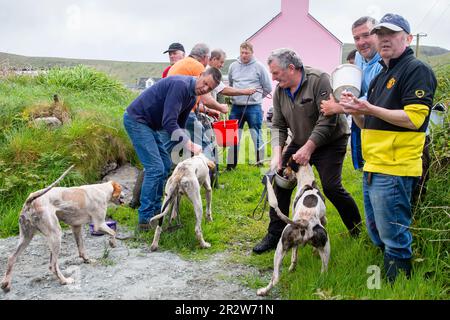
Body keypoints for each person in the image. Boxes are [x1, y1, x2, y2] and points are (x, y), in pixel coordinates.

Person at [339, 13, 437, 282]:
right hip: (374, 165)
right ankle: (380, 281)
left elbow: (415, 119)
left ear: (407, 38)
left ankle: (396, 286)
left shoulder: (416, 70)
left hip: (395, 167)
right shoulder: (382, 74)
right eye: (380, 34)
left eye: (391, 34)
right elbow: (367, 121)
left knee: (394, 235)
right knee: (377, 233)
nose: (384, 40)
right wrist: (354, 110)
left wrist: (368, 107)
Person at [252, 48, 362, 254]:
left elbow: (327, 120)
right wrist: (277, 156)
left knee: (331, 187)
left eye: (276, 73)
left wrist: (308, 149)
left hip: (330, 141)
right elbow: (278, 125)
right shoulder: (279, 91)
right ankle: (276, 234)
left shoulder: (319, 79)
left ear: (291, 68)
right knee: (280, 182)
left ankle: (357, 231)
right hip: (300, 139)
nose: (273, 78)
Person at [123, 68, 222, 230]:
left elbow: (180, 126)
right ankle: (145, 219)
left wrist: (186, 147)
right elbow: (169, 122)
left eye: (209, 88)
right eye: (205, 83)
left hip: (151, 125)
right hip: (137, 120)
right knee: (155, 168)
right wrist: (189, 144)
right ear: (199, 75)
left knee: (165, 163)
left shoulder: (191, 96)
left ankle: (157, 212)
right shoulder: (180, 85)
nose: (205, 89)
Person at [321, 16, 382, 171]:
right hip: (370, 123)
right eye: (356, 38)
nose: (361, 42)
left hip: (398, 133)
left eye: (366, 35)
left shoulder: (385, 61)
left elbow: (375, 97)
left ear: (378, 34)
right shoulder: (359, 57)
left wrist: (337, 108)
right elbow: (358, 87)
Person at [226, 41, 272, 170]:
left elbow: (267, 87)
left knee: (256, 135)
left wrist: (256, 98)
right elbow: (230, 84)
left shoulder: (259, 67)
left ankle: (260, 162)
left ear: (252, 53)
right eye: (242, 52)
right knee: (233, 136)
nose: (244, 55)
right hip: (236, 107)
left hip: (254, 107)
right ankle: (231, 165)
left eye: (246, 53)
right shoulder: (233, 66)